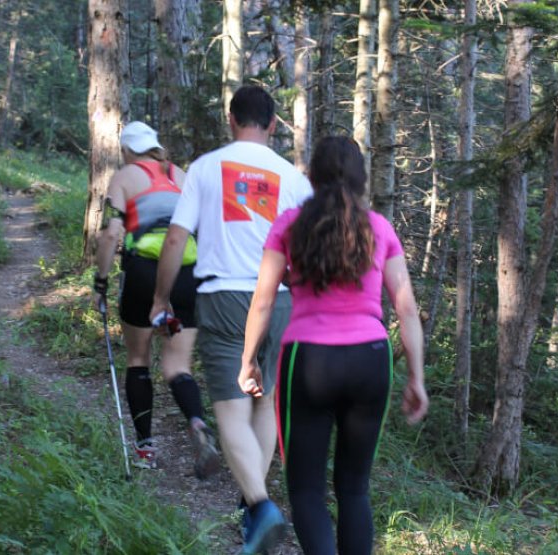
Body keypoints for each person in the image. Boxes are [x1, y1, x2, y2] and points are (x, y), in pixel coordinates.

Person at [237, 136, 429, 554]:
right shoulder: (379, 227)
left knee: (306, 489)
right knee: (354, 489)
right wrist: (416, 377)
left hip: (308, 362)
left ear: (312, 177)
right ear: (361, 180)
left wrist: (249, 360)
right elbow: (407, 310)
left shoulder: (289, 223)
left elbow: (264, 300)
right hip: (371, 361)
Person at [149, 86, 311, 554]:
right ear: (274, 124)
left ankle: (260, 507)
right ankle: (250, 509)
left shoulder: (204, 167)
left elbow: (176, 239)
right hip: (279, 299)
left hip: (223, 297)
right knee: (264, 404)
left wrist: (162, 297)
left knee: (231, 409)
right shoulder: (293, 178)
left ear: (231, 119)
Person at [92, 121, 220, 479]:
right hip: (186, 274)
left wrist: (100, 282)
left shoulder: (125, 176)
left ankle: (145, 449)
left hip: (144, 273)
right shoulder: (180, 175)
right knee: (178, 366)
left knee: (138, 359)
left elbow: (110, 234)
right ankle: (196, 421)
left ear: (127, 150)